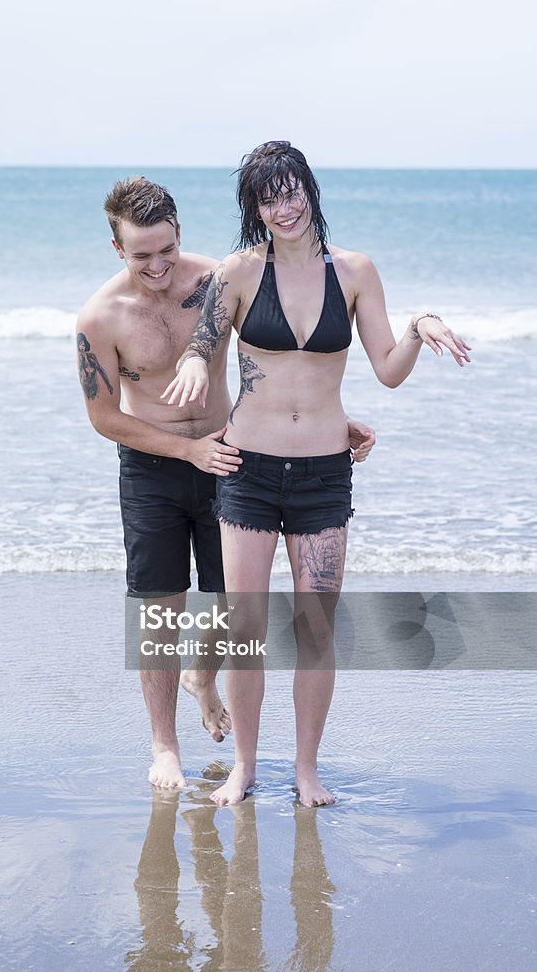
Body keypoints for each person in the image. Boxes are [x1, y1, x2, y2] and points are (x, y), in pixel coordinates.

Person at [163, 141, 471, 807]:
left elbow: (386, 369)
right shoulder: (240, 272)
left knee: (315, 631)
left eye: (291, 190)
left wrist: (419, 325)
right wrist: (194, 367)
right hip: (248, 473)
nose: (284, 206)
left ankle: (305, 769)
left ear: (310, 189)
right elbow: (203, 344)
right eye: (268, 197)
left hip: (324, 477)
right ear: (256, 209)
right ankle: (245, 766)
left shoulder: (354, 272)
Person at [76, 174, 376, 792]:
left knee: (230, 612)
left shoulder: (220, 278)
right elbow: (105, 417)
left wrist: (325, 421)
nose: (158, 266)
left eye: (166, 249)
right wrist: (185, 449)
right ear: (117, 250)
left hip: (232, 457)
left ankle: (204, 680)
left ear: (179, 233)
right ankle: (164, 745)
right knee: (160, 611)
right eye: (142, 256)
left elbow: (275, 360)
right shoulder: (101, 315)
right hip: (154, 465)